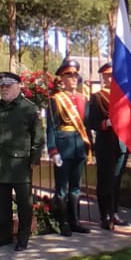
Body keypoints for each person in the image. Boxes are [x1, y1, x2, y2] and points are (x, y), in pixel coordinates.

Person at [0, 71, 43, 252]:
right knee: (2, 204)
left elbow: (38, 137)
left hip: (20, 165)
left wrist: (34, 160)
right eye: (2, 86)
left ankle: (23, 237)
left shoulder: (29, 108)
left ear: (18, 87)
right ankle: (4, 236)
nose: (4, 89)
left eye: (8, 86)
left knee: (24, 204)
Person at [46, 58, 91, 236]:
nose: (73, 78)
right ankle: (63, 222)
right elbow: (51, 127)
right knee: (62, 188)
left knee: (76, 187)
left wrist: (89, 149)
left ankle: (75, 221)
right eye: (69, 75)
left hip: (79, 146)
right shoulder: (56, 100)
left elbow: (86, 126)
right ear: (62, 78)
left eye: (75, 75)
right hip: (63, 147)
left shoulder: (83, 99)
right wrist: (53, 150)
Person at [87, 63, 127, 230]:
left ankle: (114, 212)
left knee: (117, 180)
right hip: (105, 143)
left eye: (113, 75)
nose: (110, 78)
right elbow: (91, 122)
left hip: (121, 143)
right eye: (107, 75)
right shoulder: (97, 97)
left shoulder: (124, 95)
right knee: (104, 180)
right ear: (103, 77)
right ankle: (104, 215)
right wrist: (106, 123)